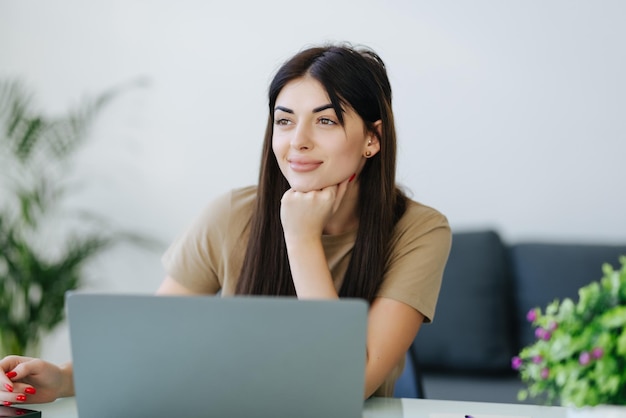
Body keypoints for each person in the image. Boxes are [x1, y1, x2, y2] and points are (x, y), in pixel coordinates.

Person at [0, 42, 451, 405]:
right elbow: (153, 341)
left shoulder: (419, 230)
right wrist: (61, 378)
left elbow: (350, 382)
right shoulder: (233, 214)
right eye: (285, 121)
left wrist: (301, 236)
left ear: (372, 139)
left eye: (326, 121)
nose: (298, 142)